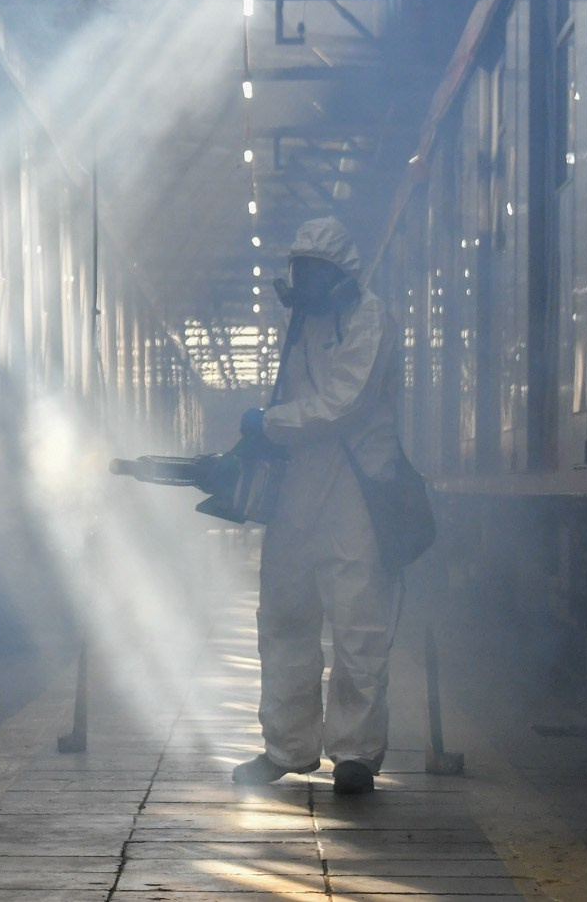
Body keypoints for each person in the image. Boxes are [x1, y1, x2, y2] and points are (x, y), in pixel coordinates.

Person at [231, 216, 402, 796]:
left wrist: (270, 423)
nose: (299, 282)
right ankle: (287, 746)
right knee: (283, 620)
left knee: (358, 625)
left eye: (309, 270)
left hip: (356, 492)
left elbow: (342, 405)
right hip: (300, 492)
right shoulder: (305, 322)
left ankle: (354, 754)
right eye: (295, 270)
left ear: (336, 274)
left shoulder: (370, 317)